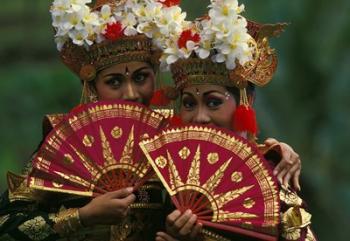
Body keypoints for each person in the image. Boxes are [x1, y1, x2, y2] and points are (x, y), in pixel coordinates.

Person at [0, 1, 302, 241]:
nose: (131, 94)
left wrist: (274, 153)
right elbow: (6, 225)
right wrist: (81, 217)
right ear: (92, 87)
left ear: (155, 77)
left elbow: (232, 155)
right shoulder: (65, 140)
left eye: (142, 78)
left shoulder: (176, 136)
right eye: (114, 82)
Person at [151, 1, 317, 240]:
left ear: (244, 102)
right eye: (189, 103)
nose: (199, 117)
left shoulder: (275, 175)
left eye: (213, 102)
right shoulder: (173, 179)